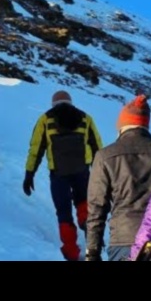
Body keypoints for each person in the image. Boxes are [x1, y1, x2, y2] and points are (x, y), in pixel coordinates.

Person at [84, 94, 151, 261]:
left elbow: (96, 208)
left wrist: (92, 252)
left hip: (123, 241)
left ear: (122, 126)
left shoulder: (105, 156)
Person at [23, 91, 104, 261]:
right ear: (70, 102)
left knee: (63, 212)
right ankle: (87, 226)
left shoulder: (45, 119)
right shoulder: (85, 118)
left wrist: (29, 173)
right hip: (82, 171)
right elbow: (97, 146)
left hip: (58, 173)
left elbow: (36, 149)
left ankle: (71, 251)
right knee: (83, 201)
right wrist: (101, 173)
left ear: (53, 104)